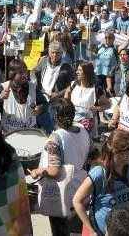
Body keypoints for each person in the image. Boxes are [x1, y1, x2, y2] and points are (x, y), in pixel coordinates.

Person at [72, 130, 129, 236]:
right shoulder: (99, 173)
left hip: (121, 228)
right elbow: (77, 201)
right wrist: (91, 230)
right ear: (116, 151)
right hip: (103, 229)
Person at [30, 100, 91, 236]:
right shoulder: (82, 130)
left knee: (60, 231)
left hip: (61, 194)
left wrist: (38, 171)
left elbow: (54, 171)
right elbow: (90, 155)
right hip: (80, 190)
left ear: (55, 116)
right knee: (76, 230)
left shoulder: (55, 139)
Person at [31, 42, 76, 133]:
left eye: (57, 53)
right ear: (49, 52)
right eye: (53, 53)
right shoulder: (44, 61)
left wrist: (59, 94)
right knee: (37, 124)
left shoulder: (67, 66)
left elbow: (73, 84)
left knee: (52, 126)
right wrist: (34, 80)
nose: (55, 55)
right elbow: (33, 70)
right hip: (41, 98)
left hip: (55, 101)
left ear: (61, 53)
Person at [0, 58, 47, 133]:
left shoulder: (33, 87)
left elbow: (45, 104)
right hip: (9, 133)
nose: (24, 75)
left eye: (25, 71)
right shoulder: (3, 87)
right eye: (20, 73)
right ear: (12, 74)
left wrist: (40, 109)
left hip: (30, 132)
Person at [64, 62, 109, 137]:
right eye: (77, 70)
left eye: (80, 70)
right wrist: (67, 104)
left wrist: (97, 108)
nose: (77, 72)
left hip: (87, 124)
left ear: (87, 72)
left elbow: (108, 104)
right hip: (72, 120)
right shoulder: (74, 84)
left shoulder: (96, 89)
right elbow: (67, 92)